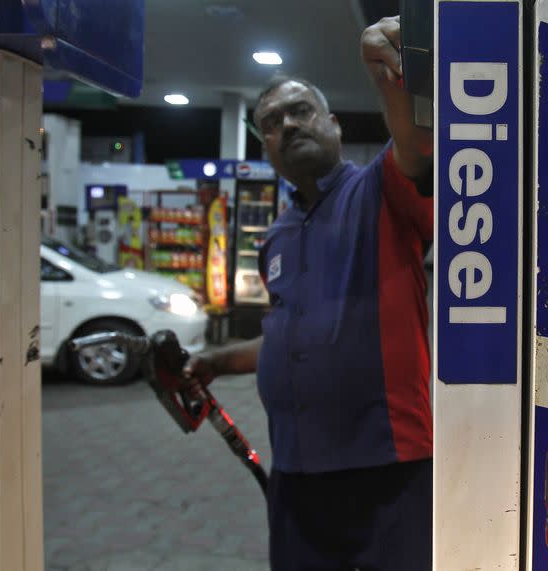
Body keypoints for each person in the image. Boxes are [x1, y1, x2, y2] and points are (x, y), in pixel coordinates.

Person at [182, 16, 433, 570]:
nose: (289, 124)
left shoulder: (379, 190)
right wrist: (216, 361)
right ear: (266, 147)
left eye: (302, 111)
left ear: (335, 125)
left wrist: (387, 77)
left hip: (389, 467)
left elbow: (416, 151)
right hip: (296, 472)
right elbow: (287, 334)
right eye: (271, 122)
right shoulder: (276, 234)